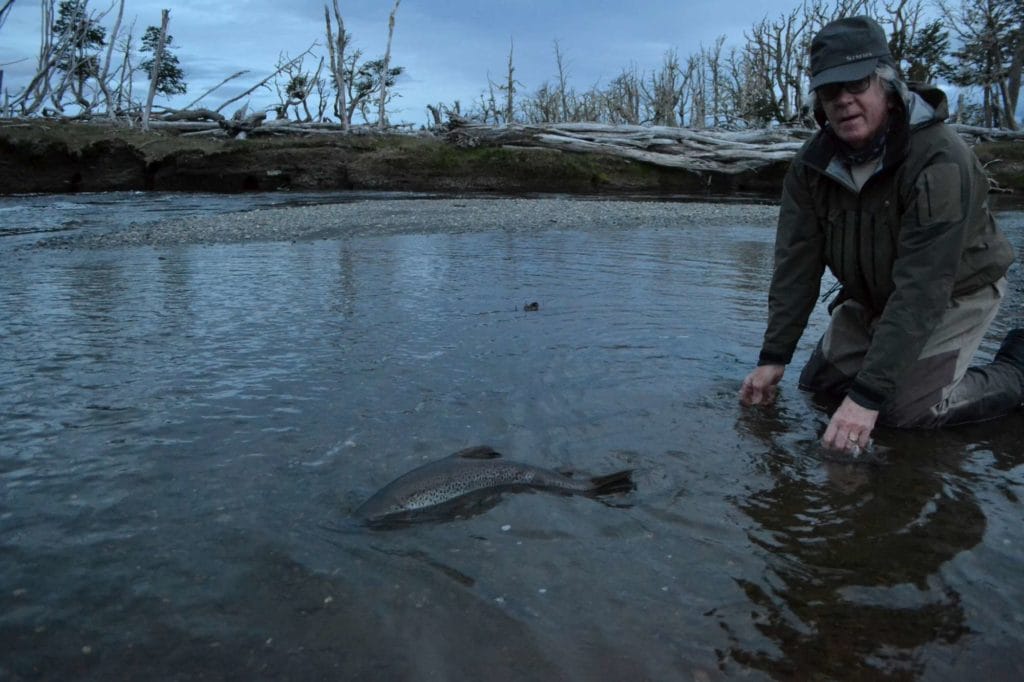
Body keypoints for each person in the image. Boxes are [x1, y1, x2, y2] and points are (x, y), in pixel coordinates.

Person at [739, 15, 1024, 456]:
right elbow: (796, 264)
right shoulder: (809, 166)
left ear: (888, 87)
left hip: (956, 289)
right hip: (875, 293)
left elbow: (924, 286)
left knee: (903, 412)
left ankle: (1016, 368)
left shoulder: (940, 159)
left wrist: (867, 398)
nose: (844, 101)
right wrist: (772, 357)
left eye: (857, 85)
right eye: (831, 91)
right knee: (819, 388)